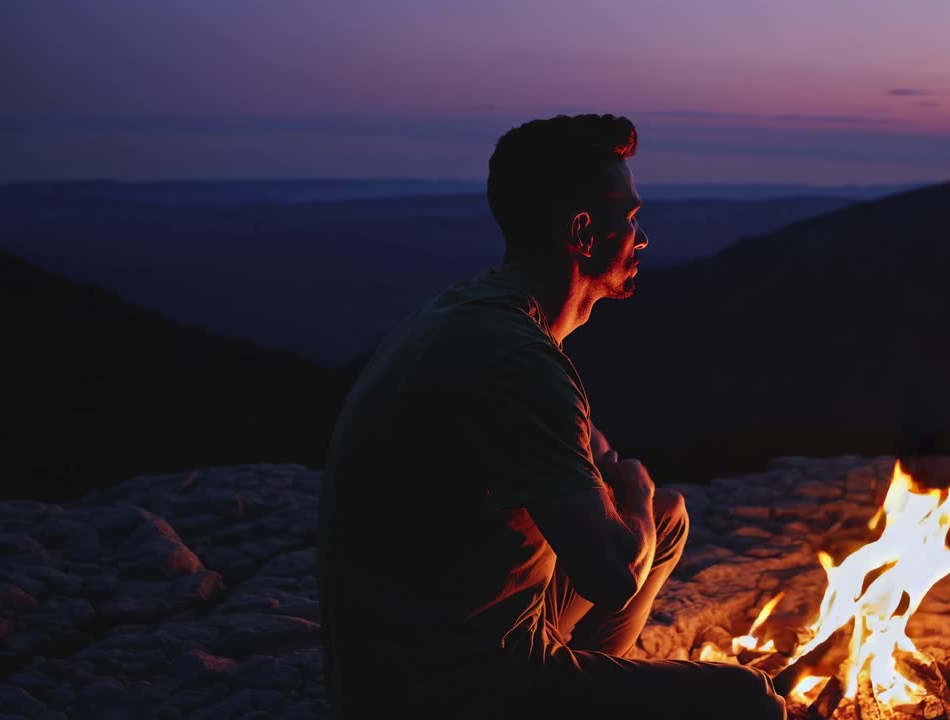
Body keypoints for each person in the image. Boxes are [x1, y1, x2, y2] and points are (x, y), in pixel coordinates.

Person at [318, 113, 787, 719]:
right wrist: (636, 487)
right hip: (443, 686)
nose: (642, 239)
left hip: (407, 645)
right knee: (748, 701)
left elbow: (590, 450)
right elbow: (612, 576)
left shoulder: (473, 312)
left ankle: (577, 692)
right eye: (632, 219)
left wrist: (627, 483)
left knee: (664, 520)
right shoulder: (518, 361)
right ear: (583, 233)